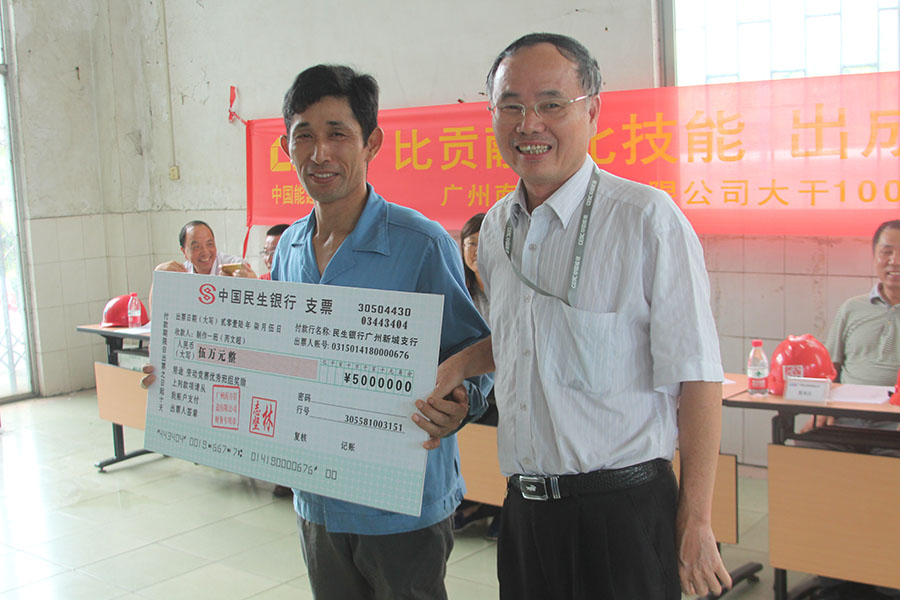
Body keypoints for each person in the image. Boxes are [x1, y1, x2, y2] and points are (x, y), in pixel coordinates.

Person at [427, 33, 731, 599]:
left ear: (592, 111)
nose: (529, 124)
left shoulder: (646, 220)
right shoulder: (495, 228)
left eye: (550, 104)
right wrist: (460, 365)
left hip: (622, 515)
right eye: (511, 106)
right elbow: (525, 334)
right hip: (524, 513)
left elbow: (698, 376)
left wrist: (696, 520)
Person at [269, 64, 490, 599]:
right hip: (317, 498)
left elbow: (475, 352)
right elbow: (274, 354)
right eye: (304, 136)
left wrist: (462, 403)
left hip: (402, 506)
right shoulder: (289, 249)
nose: (320, 153)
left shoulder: (421, 243)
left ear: (372, 143)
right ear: (285, 148)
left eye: (337, 134)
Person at [799, 220, 900, 600]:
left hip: (894, 425)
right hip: (846, 417)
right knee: (807, 454)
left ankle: (887, 574)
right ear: (875, 257)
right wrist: (820, 405)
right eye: (887, 251)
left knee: (886, 479)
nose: (895, 261)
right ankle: (833, 571)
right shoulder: (852, 309)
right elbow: (827, 369)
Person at [452, 213, 502, 540]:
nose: (476, 251)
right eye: (470, 243)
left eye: (484, 243)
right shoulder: (460, 291)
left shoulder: (507, 287)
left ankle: (499, 506)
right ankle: (476, 501)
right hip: (472, 383)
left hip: (507, 386)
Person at [153, 220, 243, 275]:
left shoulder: (235, 266)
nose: (205, 252)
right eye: (196, 247)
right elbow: (156, 301)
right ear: (184, 252)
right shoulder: (182, 272)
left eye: (210, 244)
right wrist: (158, 274)